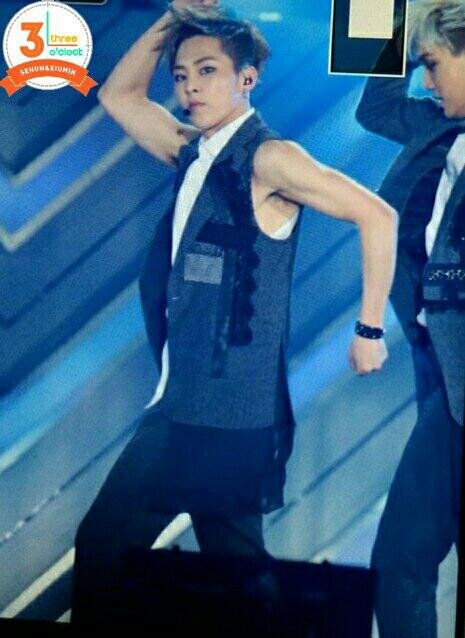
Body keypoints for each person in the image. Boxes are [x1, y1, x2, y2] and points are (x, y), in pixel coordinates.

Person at [71, 0, 397, 625]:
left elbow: (377, 215)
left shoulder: (269, 158)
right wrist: (172, 17)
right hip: (200, 403)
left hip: (210, 414)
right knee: (242, 578)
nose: (190, 87)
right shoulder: (193, 152)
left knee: (105, 548)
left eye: (207, 71)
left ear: (247, 78)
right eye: (181, 75)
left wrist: (369, 328)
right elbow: (118, 95)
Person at [356, 1, 465, 636]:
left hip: (457, 368)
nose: (426, 80)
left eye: (434, 64)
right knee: (404, 559)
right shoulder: (433, 123)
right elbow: (374, 109)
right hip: (434, 353)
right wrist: (400, 23)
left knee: (402, 557)